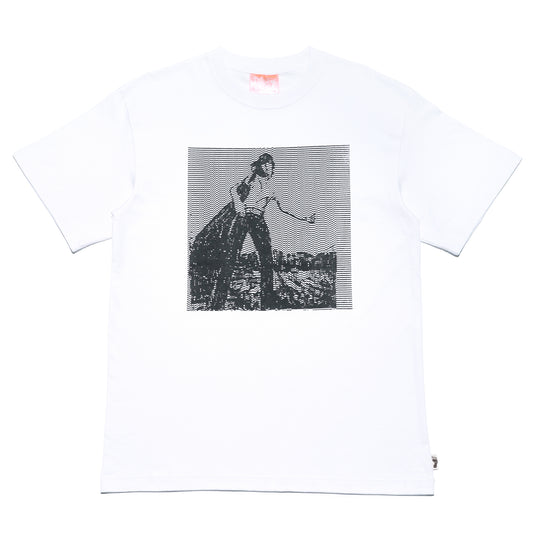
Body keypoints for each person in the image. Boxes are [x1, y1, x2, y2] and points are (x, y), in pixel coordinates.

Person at [189, 153, 316, 311]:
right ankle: (217, 304)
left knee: (266, 259)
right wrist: (238, 204)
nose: (267, 167)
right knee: (229, 258)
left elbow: (285, 208)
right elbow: (233, 189)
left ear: (273, 168)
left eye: (270, 165)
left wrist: (305, 218)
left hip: (258, 219)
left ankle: (267, 302)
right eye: (265, 164)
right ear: (260, 166)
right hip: (242, 218)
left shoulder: (273, 189)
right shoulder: (250, 180)